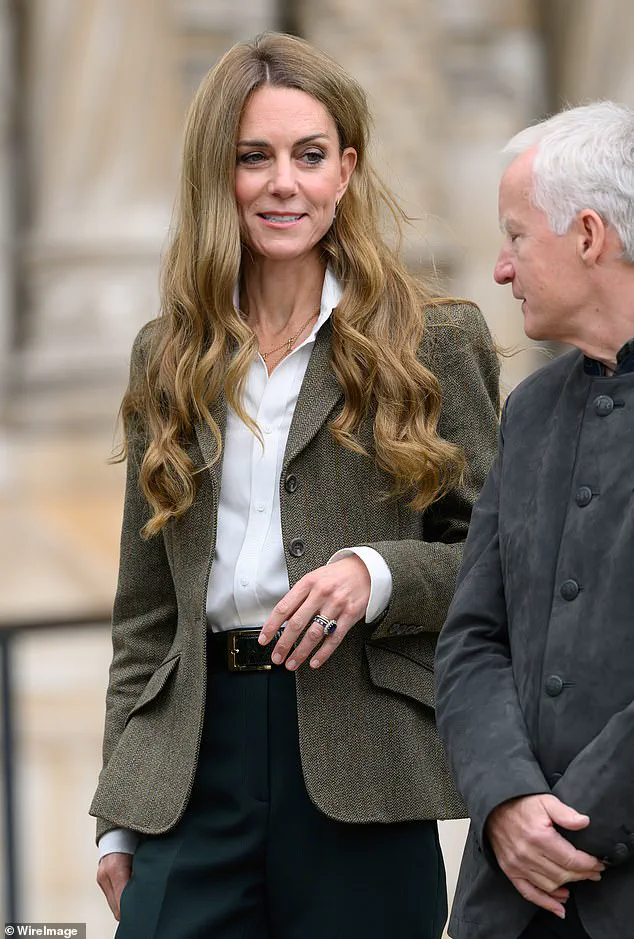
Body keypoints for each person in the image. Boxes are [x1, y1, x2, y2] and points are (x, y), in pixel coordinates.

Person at [90, 31, 499, 939]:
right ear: (216, 174)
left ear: (346, 169)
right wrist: (121, 808)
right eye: (254, 158)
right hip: (191, 763)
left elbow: (493, 559)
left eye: (310, 156)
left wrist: (378, 573)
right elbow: (146, 609)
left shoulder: (434, 339)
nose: (285, 184)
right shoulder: (167, 356)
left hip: (363, 764)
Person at [435, 100, 634, 939]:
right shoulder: (530, 410)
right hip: (508, 904)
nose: (501, 269)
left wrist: (573, 821)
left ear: (588, 235)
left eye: (517, 237)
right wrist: (508, 798)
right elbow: (471, 638)